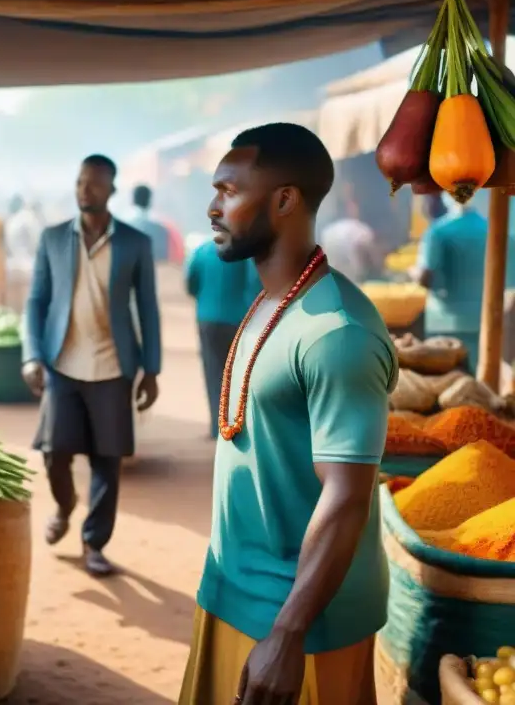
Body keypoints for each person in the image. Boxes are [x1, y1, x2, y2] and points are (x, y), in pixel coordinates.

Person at [178, 123, 397, 705]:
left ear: (284, 200)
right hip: (233, 592)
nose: (212, 207)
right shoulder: (272, 301)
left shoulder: (337, 332)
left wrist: (288, 632)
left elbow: (347, 494)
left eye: (228, 190)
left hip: (298, 625)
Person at [22, 154, 161, 578]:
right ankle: (64, 506)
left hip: (113, 366)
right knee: (54, 453)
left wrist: (150, 369)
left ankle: (94, 542)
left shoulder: (136, 243)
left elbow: (148, 308)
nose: (86, 190)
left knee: (108, 460)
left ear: (112, 189)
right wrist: (32, 354)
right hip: (62, 363)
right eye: (81, 182)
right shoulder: (52, 238)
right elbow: (36, 301)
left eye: (95, 184)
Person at [414, 196, 515, 375]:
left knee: (445, 388)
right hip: (485, 321)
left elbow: (425, 277)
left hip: (445, 324)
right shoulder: (495, 231)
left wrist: (412, 272)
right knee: (481, 385)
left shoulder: (438, 232)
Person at [185, 237, 261, 439]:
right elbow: (254, 283)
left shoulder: (201, 251)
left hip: (207, 318)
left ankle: (216, 427)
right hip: (238, 319)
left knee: (213, 372)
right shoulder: (244, 253)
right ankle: (236, 424)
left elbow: (191, 283)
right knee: (238, 373)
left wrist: (204, 299)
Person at [319, 193, 380, 284]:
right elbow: (374, 259)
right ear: (350, 208)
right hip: (356, 283)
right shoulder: (360, 230)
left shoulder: (327, 231)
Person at [126, 184, 171, 262]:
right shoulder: (161, 230)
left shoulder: (123, 228)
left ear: (133, 200)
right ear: (149, 201)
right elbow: (163, 261)